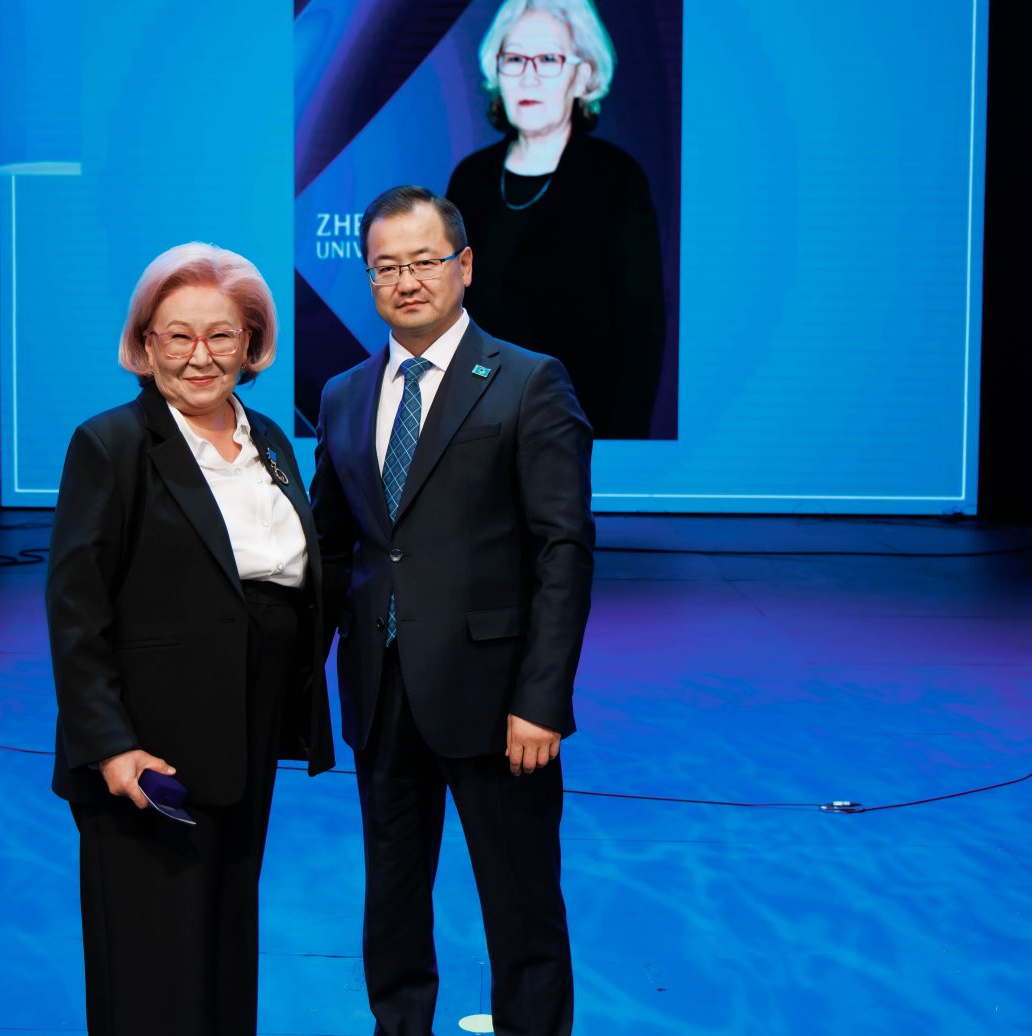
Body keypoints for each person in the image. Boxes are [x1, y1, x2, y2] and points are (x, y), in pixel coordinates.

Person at [310, 185, 594, 1035]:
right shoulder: (343, 395)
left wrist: (542, 700)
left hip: (498, 703)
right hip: (382, 692)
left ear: (464, 266)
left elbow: (562, 552)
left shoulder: (528, 381)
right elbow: (334, 549)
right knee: (392, 899)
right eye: (385, 267)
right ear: (369, 279)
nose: (405, 281)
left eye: (424, 261)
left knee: (521, 907)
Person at [45, 242, 334, 1036]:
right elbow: (76, 610)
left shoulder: (270, 441)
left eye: (221, 335)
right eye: (177, 335)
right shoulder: (111, 444)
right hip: (149, 756)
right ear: (145, 345)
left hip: (244, 744)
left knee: (223, 955)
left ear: (251, 343)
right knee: (152, 974)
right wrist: (110, 746)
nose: (200, 356)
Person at [447, 0, 665, 439]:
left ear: (584, 75)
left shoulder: (616, 178)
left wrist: (618, 447)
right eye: (514, 59)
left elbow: (642, 332)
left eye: (548, 59)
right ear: (496, 71)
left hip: (582, 432)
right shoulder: (470, 178)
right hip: (479, 433)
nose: (528, 76)